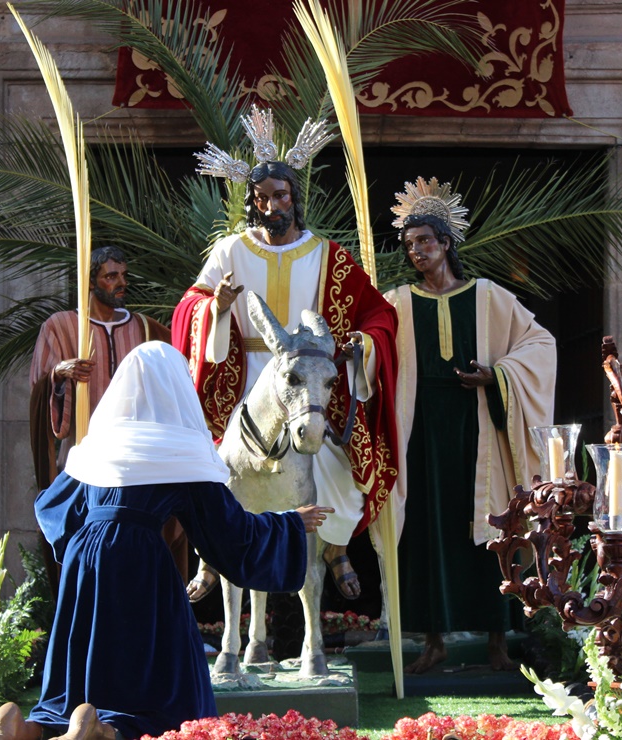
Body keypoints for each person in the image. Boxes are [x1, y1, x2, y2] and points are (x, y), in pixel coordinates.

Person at [13, 342, 332, 739]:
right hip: (139, 559)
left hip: (84, 559)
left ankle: (23, 725)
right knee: (157, 693)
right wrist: (287, 523)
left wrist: (91, 545)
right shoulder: (181, 449)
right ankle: (104, 729)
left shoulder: (97, 445)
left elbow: (52, 508)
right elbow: (229, 532)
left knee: (79, 672)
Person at [172, 151, 399, 604]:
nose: (272, 206)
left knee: (341, 469)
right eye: (262, 199)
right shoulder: (231, 250)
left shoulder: (328, 255)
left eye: (280, 196)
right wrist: (215, 306)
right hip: (245, 381)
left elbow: (378, 314)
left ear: (295, 197)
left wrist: (362, 343)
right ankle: (210, 559)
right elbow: (187, 308)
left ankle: (334, 548)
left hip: (306, 383)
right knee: (213, 467)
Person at [382, 177, 556, 674]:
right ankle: (432, 641)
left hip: (478, 423)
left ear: (446, 243)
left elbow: (540, 344)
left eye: (425, 242)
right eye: (410, 244)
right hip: (420, 430)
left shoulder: (488, 296)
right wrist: (361, 350)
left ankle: (497, 640)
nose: (416, 251)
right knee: (425, 530)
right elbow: (375, 350)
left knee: (489, 527)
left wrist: (497, 376)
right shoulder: (396, 301)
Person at [29, 245, 187, 584]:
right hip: (84, 453)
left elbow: (183, 359)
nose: (120, 283)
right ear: (91, 282)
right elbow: (40, 386)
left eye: (123, 276)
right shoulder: (61, 326)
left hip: (137, 460)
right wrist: (60, 374)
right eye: (110, 276)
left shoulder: (146, 330)